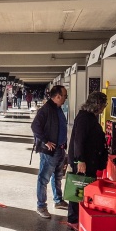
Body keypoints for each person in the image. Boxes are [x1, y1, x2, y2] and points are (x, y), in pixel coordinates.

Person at [66, 92, 109, 230]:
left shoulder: (89, 117)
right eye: (104, 104)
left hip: (88, 160)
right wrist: (80, 161)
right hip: (84, 161)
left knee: (81, 188)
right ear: (97, 105)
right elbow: (79, 140)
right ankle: (73, 219)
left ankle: (78, 217)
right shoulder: (85, 118)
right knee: (77, 188)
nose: (104, 108)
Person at [31, 85, 68, 219]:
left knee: (58, 176)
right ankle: (41, 206)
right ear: (58, 96)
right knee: (43, 178)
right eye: (64, 96)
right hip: (50, 151)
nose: (65, 98)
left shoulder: (57, 109)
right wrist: (46, 141)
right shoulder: (46, 109)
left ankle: (58, 200)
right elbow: (35, 126)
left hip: (60, 149)